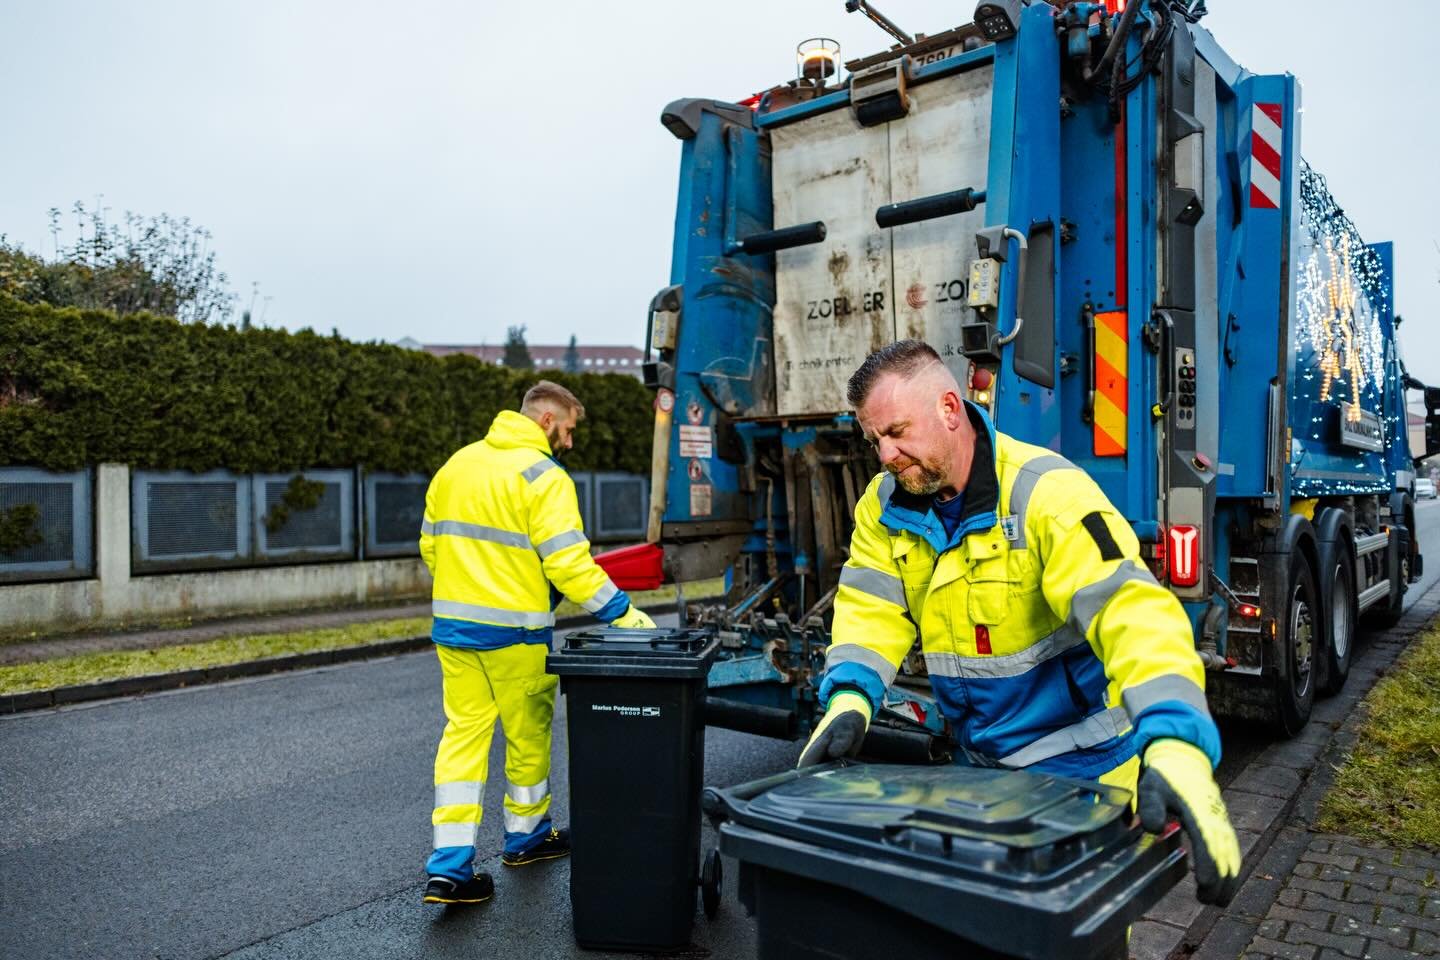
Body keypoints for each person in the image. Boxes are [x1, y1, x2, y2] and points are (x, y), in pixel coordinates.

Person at [799, 340, 1241, 906]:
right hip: (982, 767)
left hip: (1082, 772)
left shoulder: (1046, 495)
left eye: (897, 432)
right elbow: (871, 608)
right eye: (874, 439)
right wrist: (851, 697)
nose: (886, 455)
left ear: (950, 409)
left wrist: (1177, 742)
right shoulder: (884, 506)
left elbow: (1132, 613)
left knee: (1074, 933)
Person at [419, 379, 655, 906]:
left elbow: (430, 547)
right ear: (547, 419)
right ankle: (525, 839)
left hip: (454, 630)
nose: (569, 442)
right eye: (567, 430)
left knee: (462, 738)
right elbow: (568, 564)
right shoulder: (543, 476)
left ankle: (449, 867)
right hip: (516, 635)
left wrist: (470, 590)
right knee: (527, 737)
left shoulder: (456, 466)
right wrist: (622, 613)